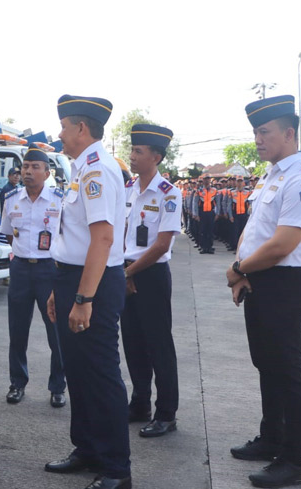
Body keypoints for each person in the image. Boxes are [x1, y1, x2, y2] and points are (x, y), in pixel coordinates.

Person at [225, 95, 301, 488]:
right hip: (261, 280)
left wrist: (236, 270)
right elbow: (256, 234)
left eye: (264, 132)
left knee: (287, 372)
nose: (257, 139)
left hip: (285, 283)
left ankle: (293, 462)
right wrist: (244, 274)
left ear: (288, 133)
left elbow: (283, 245)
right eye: (255, 132)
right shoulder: (272, 176)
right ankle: (271, 438)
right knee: (267, 366)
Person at [44, 95, 131, 489]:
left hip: (92, 284)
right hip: (72, 279)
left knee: (100, 374)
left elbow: (103, 239)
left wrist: (83, 299)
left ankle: (116, 469)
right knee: (78, 372)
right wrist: (61, 291)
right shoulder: (81, 168)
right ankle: (88, 449)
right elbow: (75, 237)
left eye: (63, 127)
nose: (59, 134)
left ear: (81, 129)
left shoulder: (98, 170)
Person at [121, 124, 182, 439]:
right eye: (132, 151)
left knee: (159, 344)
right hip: (126, 270)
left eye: (138, 152)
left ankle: (167, 413)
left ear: (155, 157)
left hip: (152, 275)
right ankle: (140, 403)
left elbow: (161, 244)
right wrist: (123, 267)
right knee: (132, 342)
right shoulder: (129, 187)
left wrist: (129, 273)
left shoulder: (169, 193)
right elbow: (119, 232)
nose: (132, 156)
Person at [0, 143, 66, 408]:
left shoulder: (60, 200)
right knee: (17, 329)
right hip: (21, 270)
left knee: (56, 331)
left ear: (47, 173)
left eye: (35, 167)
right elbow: (7, 232)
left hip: (50, 269)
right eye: (25, 166)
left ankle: (58, 386)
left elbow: (67, 235)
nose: (28, 172)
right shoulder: (11, 199)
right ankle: (17, 383)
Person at [193, 175, 217, 254]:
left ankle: (209, 247)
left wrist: (217, 213)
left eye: (208, 179)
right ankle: (203, 247)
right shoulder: (199, 191)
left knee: (210, 230)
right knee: (202, 230)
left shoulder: (214, 190)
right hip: (202, 213)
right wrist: (195, 214)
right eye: (205, 179)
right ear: (203, 180)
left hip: (211, 212)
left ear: (210, 180)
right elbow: (195, 203)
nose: (207, 181)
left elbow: (218, 203)